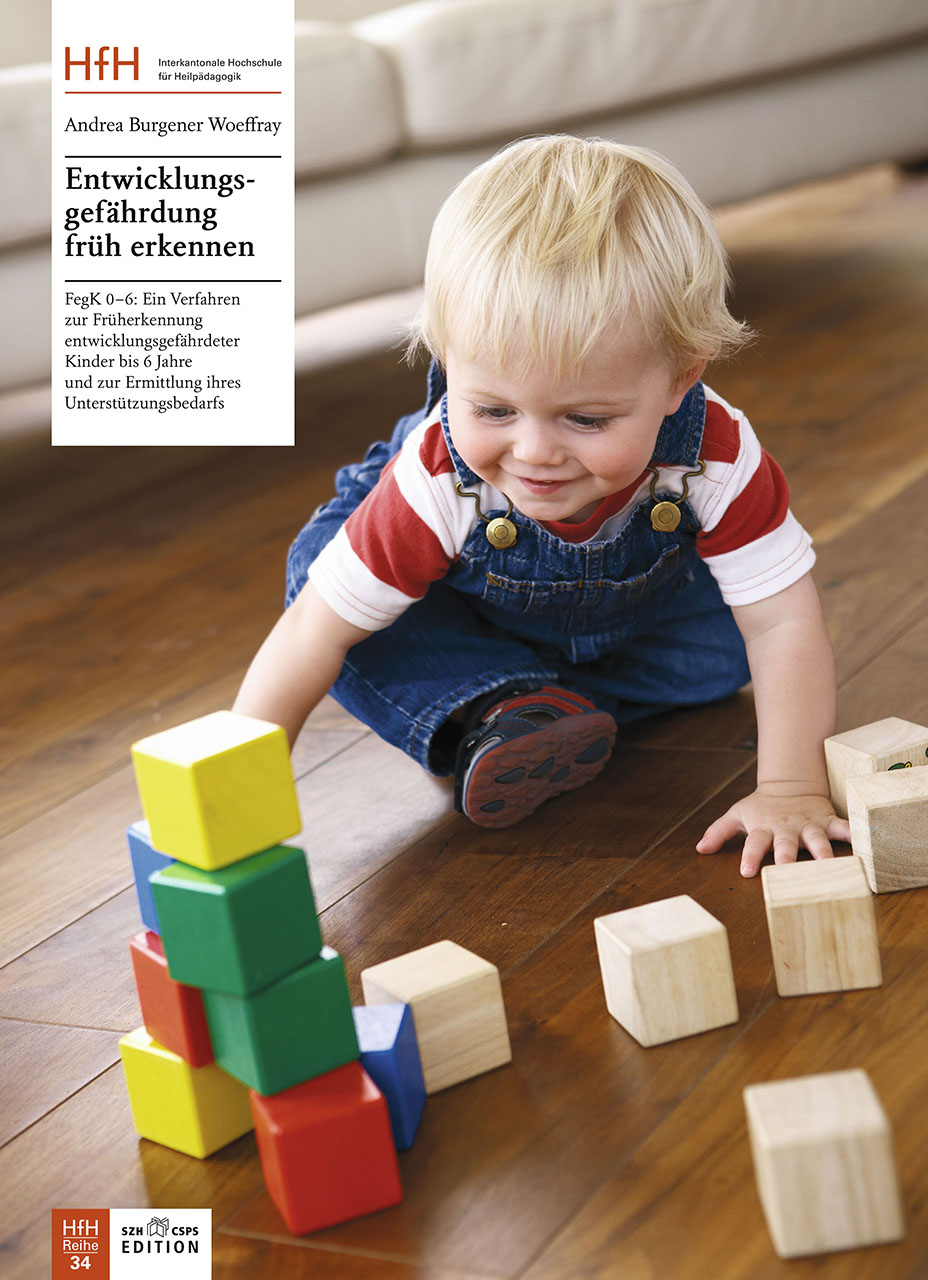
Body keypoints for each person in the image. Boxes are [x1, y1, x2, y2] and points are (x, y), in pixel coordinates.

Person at [234, 134, 850, 877]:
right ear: (445, 361)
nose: (532, 453)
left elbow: (782, 619)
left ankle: (524, 708)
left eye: (586, 420)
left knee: (724, 657)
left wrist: (791, 788)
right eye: (491, 408)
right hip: (462, 610)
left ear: (680, 382)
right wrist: (232, 806)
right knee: (336, 607)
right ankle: (495, 701)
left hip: (639, 615)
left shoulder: (715, 454)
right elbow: (311, 635)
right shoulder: (440, 477)